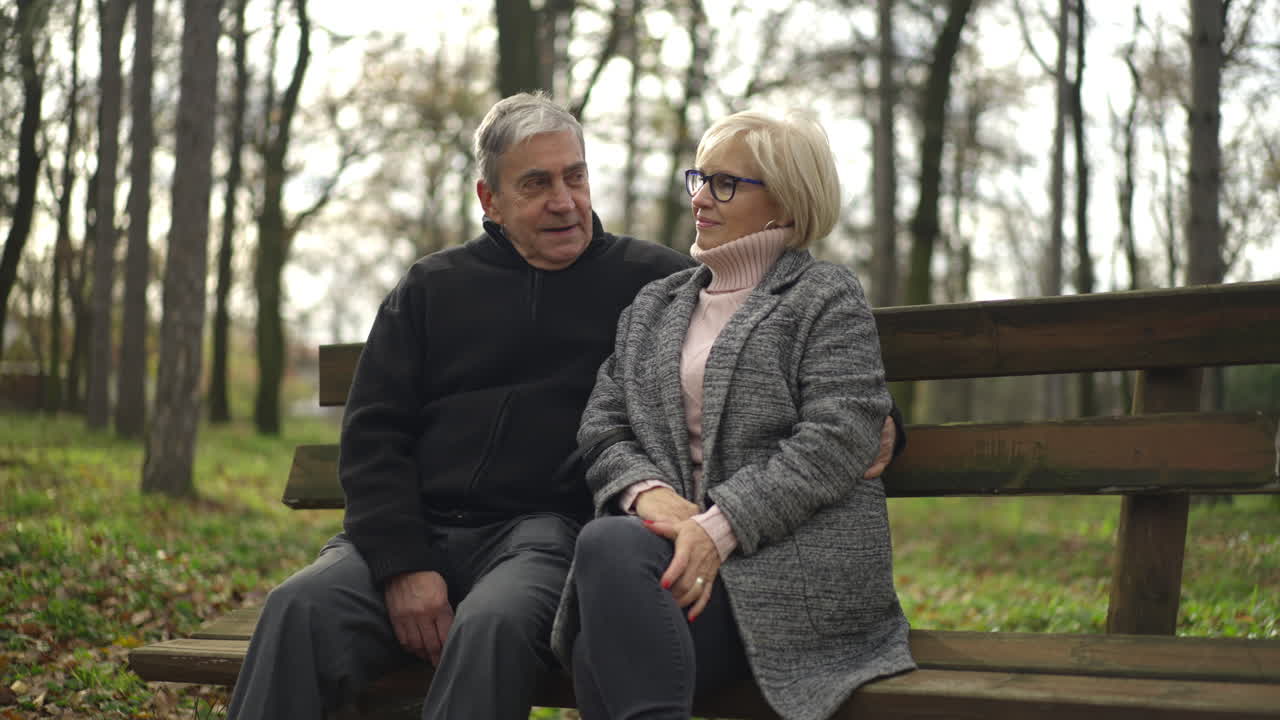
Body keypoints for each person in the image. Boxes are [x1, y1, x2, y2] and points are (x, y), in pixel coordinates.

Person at [227, 93, 900, 719]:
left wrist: (883, 420)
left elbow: (781, 336)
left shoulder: (651, 281)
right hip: (416, 529)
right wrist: (403, 564)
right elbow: (373, 434)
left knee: (494, 625)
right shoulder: (433, 288)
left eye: (575, 178)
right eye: (536, 184)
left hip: (541, 538)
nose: (564, 201)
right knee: (297, 607)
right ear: (489, 199)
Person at [551, 110, 915, 720]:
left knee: (599, 646)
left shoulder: (824, 297)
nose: (701, 198)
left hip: (787, 584)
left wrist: (718, 529)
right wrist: (646, 495)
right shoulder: (656, 306)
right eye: (698, 178)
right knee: (611, 549)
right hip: (671, 565)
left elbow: (836, 437)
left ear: (786, 203)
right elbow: (604, 424)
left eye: (725, 184)